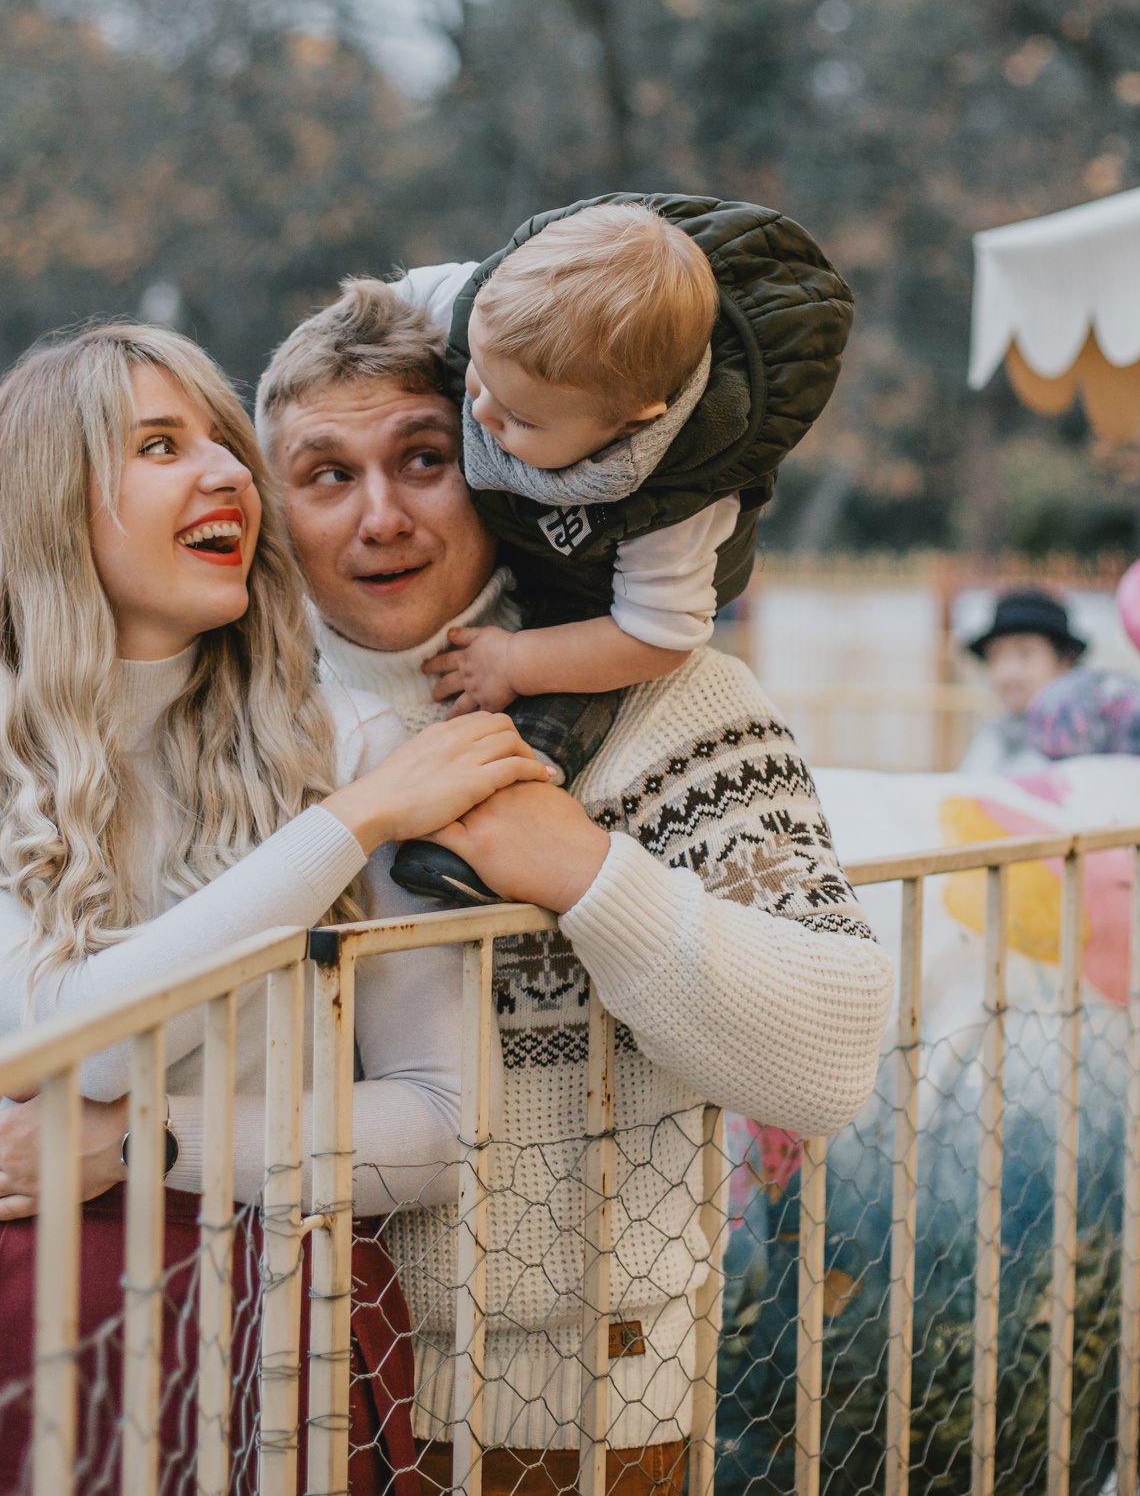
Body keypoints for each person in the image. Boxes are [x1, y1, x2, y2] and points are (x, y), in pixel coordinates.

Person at [0, 324, 561, 1496]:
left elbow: (444, 1129)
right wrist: (349, 825)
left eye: (225, 442)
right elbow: (76, 1036)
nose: (229, 471)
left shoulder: (353, 741)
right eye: (161, 445)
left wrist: (141, 1142)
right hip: (38, 1319)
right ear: (46, 501)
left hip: (298, 1318)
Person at [255, 279, 891, 1492]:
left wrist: (586, 874)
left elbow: (832, 1055)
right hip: (261, 1379)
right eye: (326, 475)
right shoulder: (223, 727)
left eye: (423, 458)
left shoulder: (670, 702)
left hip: (574, 1414)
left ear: (499, 463)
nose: (381, 517)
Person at [381, 195, 851, 906]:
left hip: (600, 595)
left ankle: (487, 832)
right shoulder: (488, 310)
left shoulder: (676, 503)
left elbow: (657, 637)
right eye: (476, 372)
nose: (479, 409)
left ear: (631, 422)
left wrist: (517, 661)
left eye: (520, 418)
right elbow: (385, 308)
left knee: (567, 698)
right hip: (526, 530)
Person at [957, 587, 1085, 774]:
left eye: (1025, 654)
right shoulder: (992, 738)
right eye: (997, 655)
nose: (1009, 672)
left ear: (1065, 661)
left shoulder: (1085, 740)